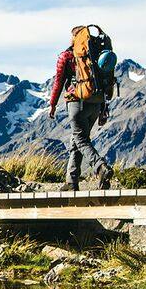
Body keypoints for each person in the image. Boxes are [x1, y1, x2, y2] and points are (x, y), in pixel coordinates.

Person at [48, 28, 115, 191]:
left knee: (80, 139)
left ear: (75, 37)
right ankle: (71, 181)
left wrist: (53, 104)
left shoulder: (67, 55)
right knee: (77, 139)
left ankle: (100, 167)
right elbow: (106, 81)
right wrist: (104, 108)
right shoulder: (96, 55)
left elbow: (58, 82)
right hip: (96, 102)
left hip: (77, 102)